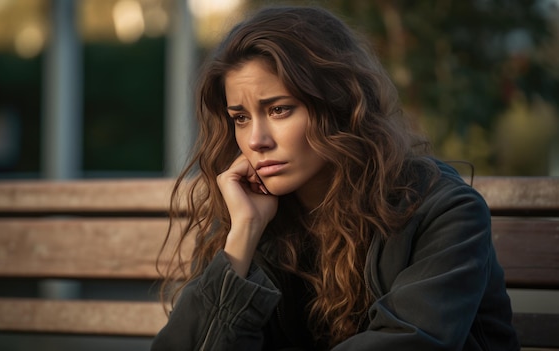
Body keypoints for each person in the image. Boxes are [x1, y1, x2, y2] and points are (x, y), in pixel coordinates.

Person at [151, 5, 519, 351]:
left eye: (279, 110)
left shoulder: (443, 211)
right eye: (241, 118)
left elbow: (411, 342)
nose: (255, 141)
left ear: (338, 104)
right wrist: (243, 235)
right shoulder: (254, 214)